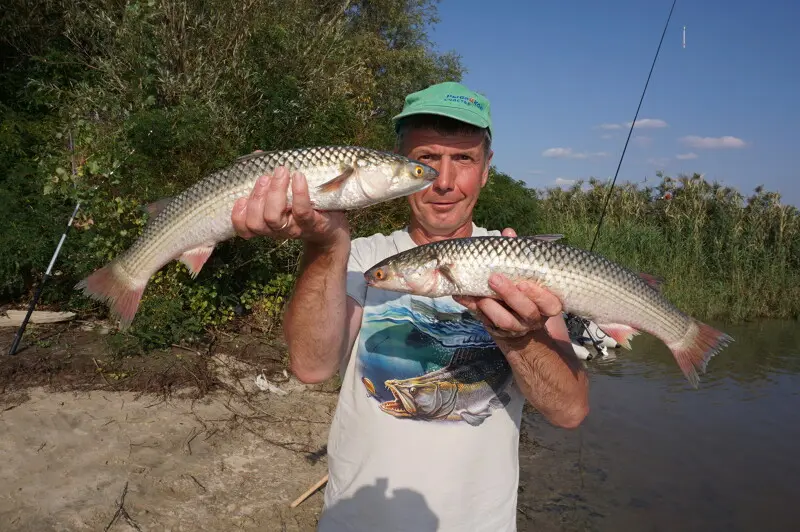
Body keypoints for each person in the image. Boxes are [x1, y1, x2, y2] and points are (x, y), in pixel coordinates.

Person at [231, 81, 590, 531]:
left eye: (463, 159)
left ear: (485, 169)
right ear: (403, 165)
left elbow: (569, 411)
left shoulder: (520, 266)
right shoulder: (362, 258)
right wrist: (325, 245)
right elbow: (312, 365)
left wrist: (521, 336)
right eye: (427, 160)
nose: (444, 182)